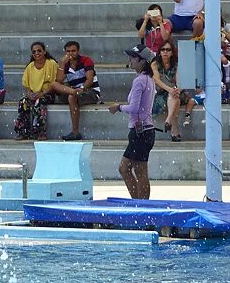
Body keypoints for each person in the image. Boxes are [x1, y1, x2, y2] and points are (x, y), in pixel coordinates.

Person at [109, 46, 157, 199]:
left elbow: (134, 108)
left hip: (140, 132)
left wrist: (118, 107)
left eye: (133, 57)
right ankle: (138, 203)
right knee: (126, 168)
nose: (130, 60)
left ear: (142, 61)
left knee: (139, 171)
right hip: (145, 130)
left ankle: (142, 206)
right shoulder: (148, 79)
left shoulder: (139, 80)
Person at [44, 40, 100, 141]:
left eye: (73, 51)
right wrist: (61, 64)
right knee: (53, 84)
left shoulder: (86, 60)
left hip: (90, 91)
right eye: (68, 51)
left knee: (71, 96)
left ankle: (75, 132)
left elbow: (90, 80)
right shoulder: (65, 64)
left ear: (78, 51)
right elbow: (59, 80)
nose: (71, 53)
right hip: (74, 91)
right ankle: (71, 92)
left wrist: (82, 88)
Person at [17, 41, 59, 141]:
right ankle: (23, 132)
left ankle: (40, 132)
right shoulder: (30, 67)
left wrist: (42, 93)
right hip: (34, 93)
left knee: (39, 102)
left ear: (44, 52)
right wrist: (29, 94)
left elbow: (55, 83)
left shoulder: (51, 64)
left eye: (39, 51)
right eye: (34, 51)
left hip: (48, 93)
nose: (37, 53)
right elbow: (26, 85)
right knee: (23, 102)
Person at [150, 42, 191, 142]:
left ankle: (169, 121)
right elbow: (156, 80)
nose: (165, 52)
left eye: (168, 50)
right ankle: (174, 131)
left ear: (172, 53)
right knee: (173, 98)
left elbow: (180, 81)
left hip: (177, 92)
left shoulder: (176, 65)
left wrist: (176, 90)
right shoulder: (155, 64)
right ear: (159, 52)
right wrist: (170, 90)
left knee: (174, 97)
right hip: (162, 92)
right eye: (163, 49)